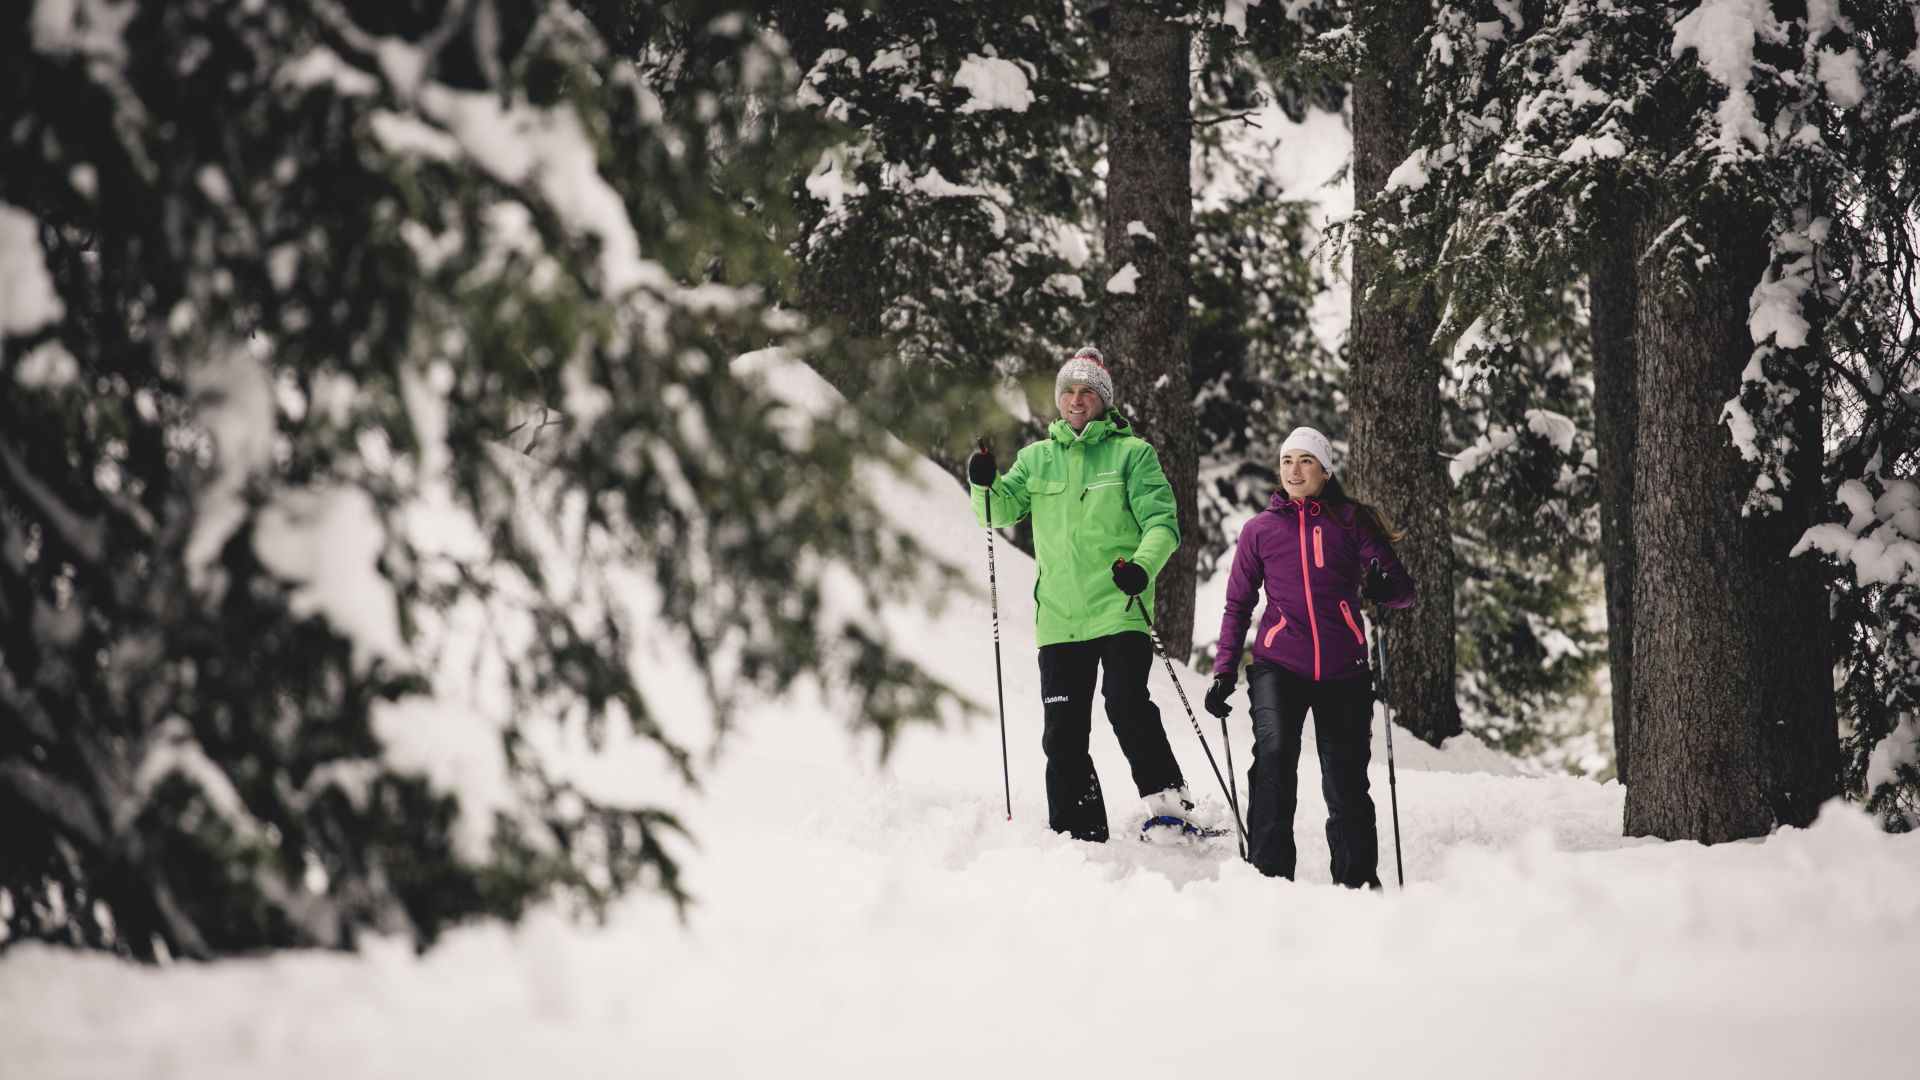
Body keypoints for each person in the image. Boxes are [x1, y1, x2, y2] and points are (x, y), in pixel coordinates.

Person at [967, 346, 1197, 842]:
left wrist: (1142, 566)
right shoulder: (1035, 459)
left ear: (1103, 400)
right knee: (1064, 731)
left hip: (1120, 605)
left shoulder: (1132, 453)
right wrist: (982, 482)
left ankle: (1170, 808)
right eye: (1068, 391)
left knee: (1124, 702)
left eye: (1087, 391)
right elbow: (996, 513)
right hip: (1060, 615)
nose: (1076, 399)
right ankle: (1078, 834)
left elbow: (1162, 523)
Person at [1204, 427, 1414, 886]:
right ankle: (1269, 876)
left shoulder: (1351, 521)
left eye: (1305, 461)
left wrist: (1385, 587)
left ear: (1325, 470)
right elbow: (1238, 604)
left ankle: (1357, 883)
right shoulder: (1259, 531)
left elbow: (1401, 590)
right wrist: (1224, 672)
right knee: (1275, 757)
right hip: (1279, 665)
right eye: (1287, 461)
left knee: (1345, 777)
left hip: (1344, 670)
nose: (1294, 471)